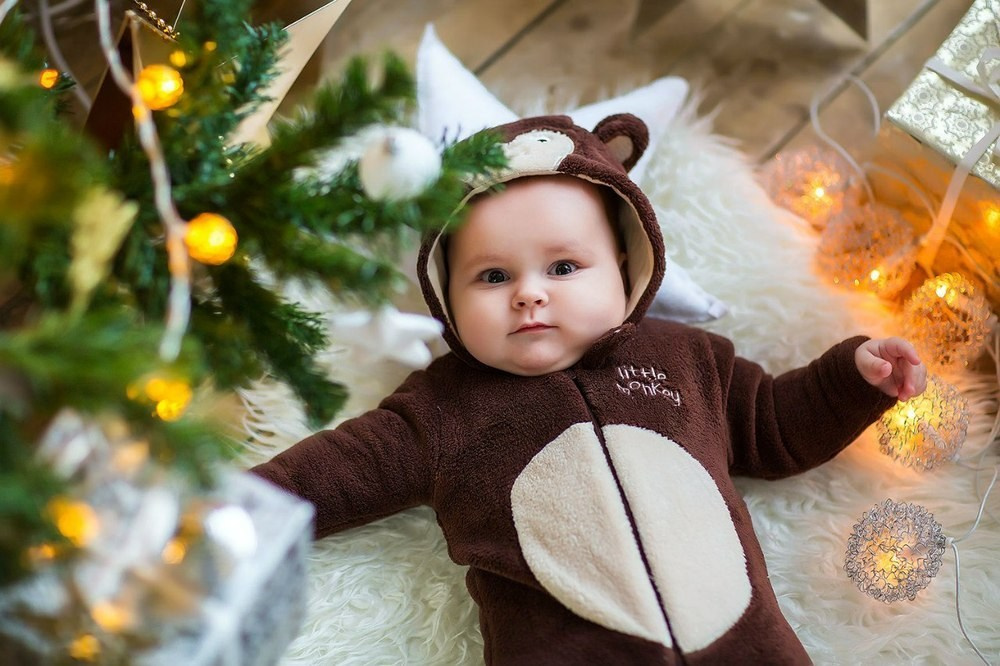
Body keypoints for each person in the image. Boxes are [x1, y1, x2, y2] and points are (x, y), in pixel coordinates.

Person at [251, 113, 927, 665]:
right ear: (445, 298)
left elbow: (775, 424)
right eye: (492, 277)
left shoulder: (686, 357)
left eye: (564, 266)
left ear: (624, 266)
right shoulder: (440, 409)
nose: (529, 294)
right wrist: (237, 508)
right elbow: (339, 470)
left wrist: (852, 379)